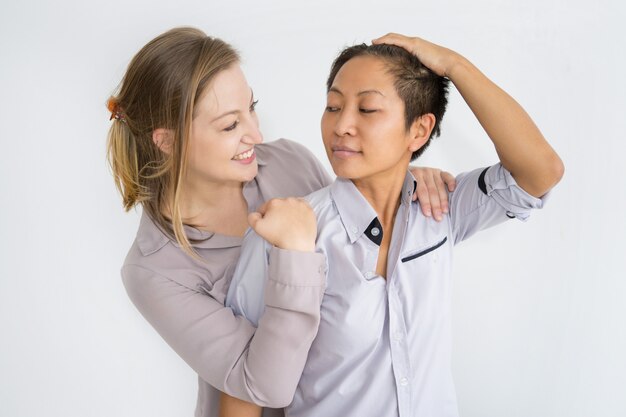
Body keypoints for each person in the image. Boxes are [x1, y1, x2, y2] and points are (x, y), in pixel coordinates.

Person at [107, 27, 454, 417]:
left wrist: (406, 176)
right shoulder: (154, 271)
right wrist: (294, 254)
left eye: (251, 108)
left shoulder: (288, 162)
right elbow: (264, 386)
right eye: (229, 126)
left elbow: (352, 246)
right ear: (167, 141)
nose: (256, 134)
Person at [224, 34, 564, 417]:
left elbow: (541, 172)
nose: (342, 126)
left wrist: (454, 65)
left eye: (367, 109)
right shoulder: (281, 236)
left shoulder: (440, 209)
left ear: (419, 130)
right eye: (333, 106)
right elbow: (244, 390)